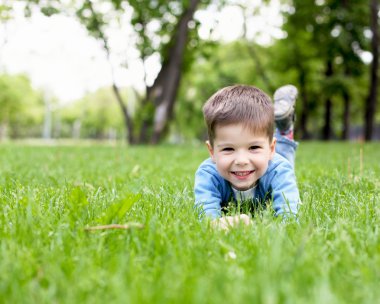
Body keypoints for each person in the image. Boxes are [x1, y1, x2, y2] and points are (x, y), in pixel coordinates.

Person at [194, 84, 300, 230]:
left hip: (274, 160)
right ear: (212, 152)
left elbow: (290, 219)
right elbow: (206, 218)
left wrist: (262, 229)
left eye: (253, 147)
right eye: (228, 149)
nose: (241, 161)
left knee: (285, 154)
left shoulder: (279, 170)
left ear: (270, 149)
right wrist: (219, 224)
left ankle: (284, 127)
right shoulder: (208, 174)